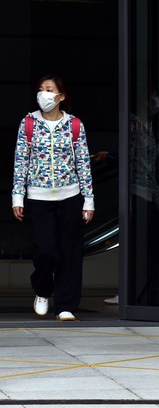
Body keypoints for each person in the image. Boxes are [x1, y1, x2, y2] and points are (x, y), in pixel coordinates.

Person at [11, 75, 95, 321]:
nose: (43, 94)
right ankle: (42, 289)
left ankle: (65, 305)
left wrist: (88, 200)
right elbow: (20, 161)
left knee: (70, 252)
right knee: (46, 250)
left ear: (61, 96)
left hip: (71, 195)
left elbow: (83, 164)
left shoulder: (75, 125)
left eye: (49, 90)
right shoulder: (28, 123)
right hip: (38, 197)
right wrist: (18, 196)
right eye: (40, 89)